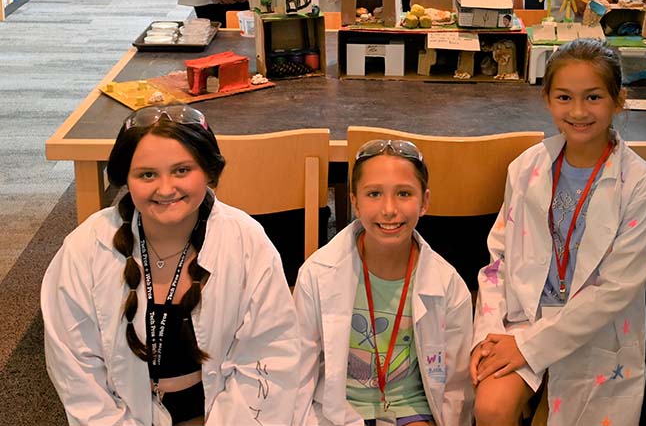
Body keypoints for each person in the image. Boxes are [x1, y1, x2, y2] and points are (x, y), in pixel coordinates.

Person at [41, 104, 299, 425]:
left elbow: (270, 354)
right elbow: (76, 372)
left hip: (221, 409)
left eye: (181, 170)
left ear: (207, 171)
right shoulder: (84, 249)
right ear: (127, 179)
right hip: (120, 414)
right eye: (147, 174)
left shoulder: (246, 241)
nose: (165, 189)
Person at [472, 39, 646, 426]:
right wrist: (491, 334)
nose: (578, 111)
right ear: (547, 99)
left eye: (593, 97)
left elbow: (615, 291)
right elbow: (499, 259)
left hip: (595, 329)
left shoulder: (641, 187)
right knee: (490, 408)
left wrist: (530, 348)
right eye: (564, 97)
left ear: (618, 100)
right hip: (524, 314)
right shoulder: (528, 168)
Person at [293, 139, 473, 426]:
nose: (389, 209)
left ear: (425, 202)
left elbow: (455, 387)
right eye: (374, 194)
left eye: (404, 193)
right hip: (338, 410)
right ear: (354, 201)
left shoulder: (448, 286)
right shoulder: (316, 274)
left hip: (411, 409)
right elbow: (300, 370)